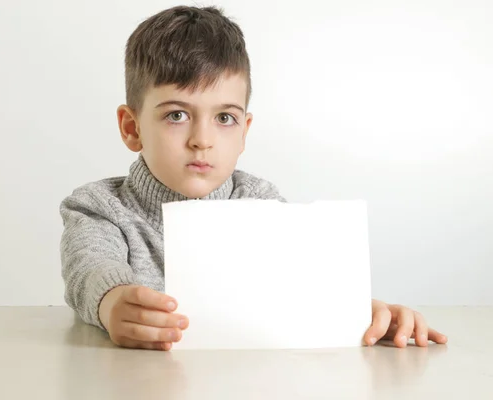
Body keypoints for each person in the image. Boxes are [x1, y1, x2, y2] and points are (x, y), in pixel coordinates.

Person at [59, 5, 448, 351]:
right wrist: (111, 301)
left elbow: (302, 287)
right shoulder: (98, 208)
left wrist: (357, 312)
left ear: (244, 130)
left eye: (224, 118)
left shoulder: (261, 202)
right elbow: (90, 268)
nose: (202, 141)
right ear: (132, 128)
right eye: (176, 115)